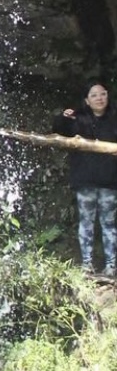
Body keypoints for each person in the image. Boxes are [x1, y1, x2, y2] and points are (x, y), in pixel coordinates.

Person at [53, 81, 117, 276]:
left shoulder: (114, 118)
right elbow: (59, 130)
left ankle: (111, 266)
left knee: (109, 224)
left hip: (110, 181)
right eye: (94, 95)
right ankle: (87, 265)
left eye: (103, 94)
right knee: (86, 223)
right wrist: (63, 118)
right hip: (85, 181)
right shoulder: (78, 119)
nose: (99, 98)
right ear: (87, 101)